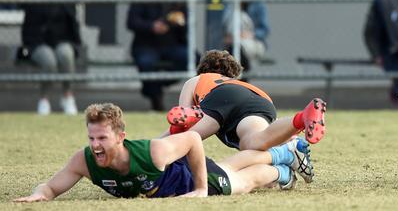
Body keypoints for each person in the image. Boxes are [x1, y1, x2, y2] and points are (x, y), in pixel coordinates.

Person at [13, 102, 312, 202]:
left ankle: (282, 166)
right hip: (186, 170)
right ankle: (286, 155)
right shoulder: (86, 161)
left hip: (193, 179)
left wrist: (199, 190)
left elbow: (194, 140)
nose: (95, 145)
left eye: (102, 137)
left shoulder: (151, 152)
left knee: (242, 182)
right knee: (231, 167)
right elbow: (52, 186)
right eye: (92, 137)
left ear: (121, 137)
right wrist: (42, 193)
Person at [166, 50, 325, 155]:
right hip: (260, 99)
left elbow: (181, 120)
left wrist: (162, 139)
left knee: (183, 138)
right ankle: (299, 121)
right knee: (254, 142)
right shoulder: (237, 83)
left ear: (203, 69)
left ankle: (196, 114)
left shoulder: (198, 79)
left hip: (221, 97)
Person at [12, 0, 90, 115]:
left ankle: (67, 96)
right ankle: (44, 99)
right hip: (37, 43)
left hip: (62, 41)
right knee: (49, 61)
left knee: (66, 54)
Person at [127, 0, 188, 111]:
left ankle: (156, 86)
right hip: (146, 45)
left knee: (192, 57)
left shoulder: (179, 0)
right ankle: (156, 100)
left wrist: (178, 23)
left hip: (172, 45)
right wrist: (151, 26)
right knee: (145, 63)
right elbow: (131, 22)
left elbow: (188, 26)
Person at [221, 0, 270, 72]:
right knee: (228, 50)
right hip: (230, 42)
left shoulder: (256, 4)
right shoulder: (225, 4)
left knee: (235, 49)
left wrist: (249, 34)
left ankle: (242, 78)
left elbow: (264, 30)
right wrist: (226, 37)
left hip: (251, 43)